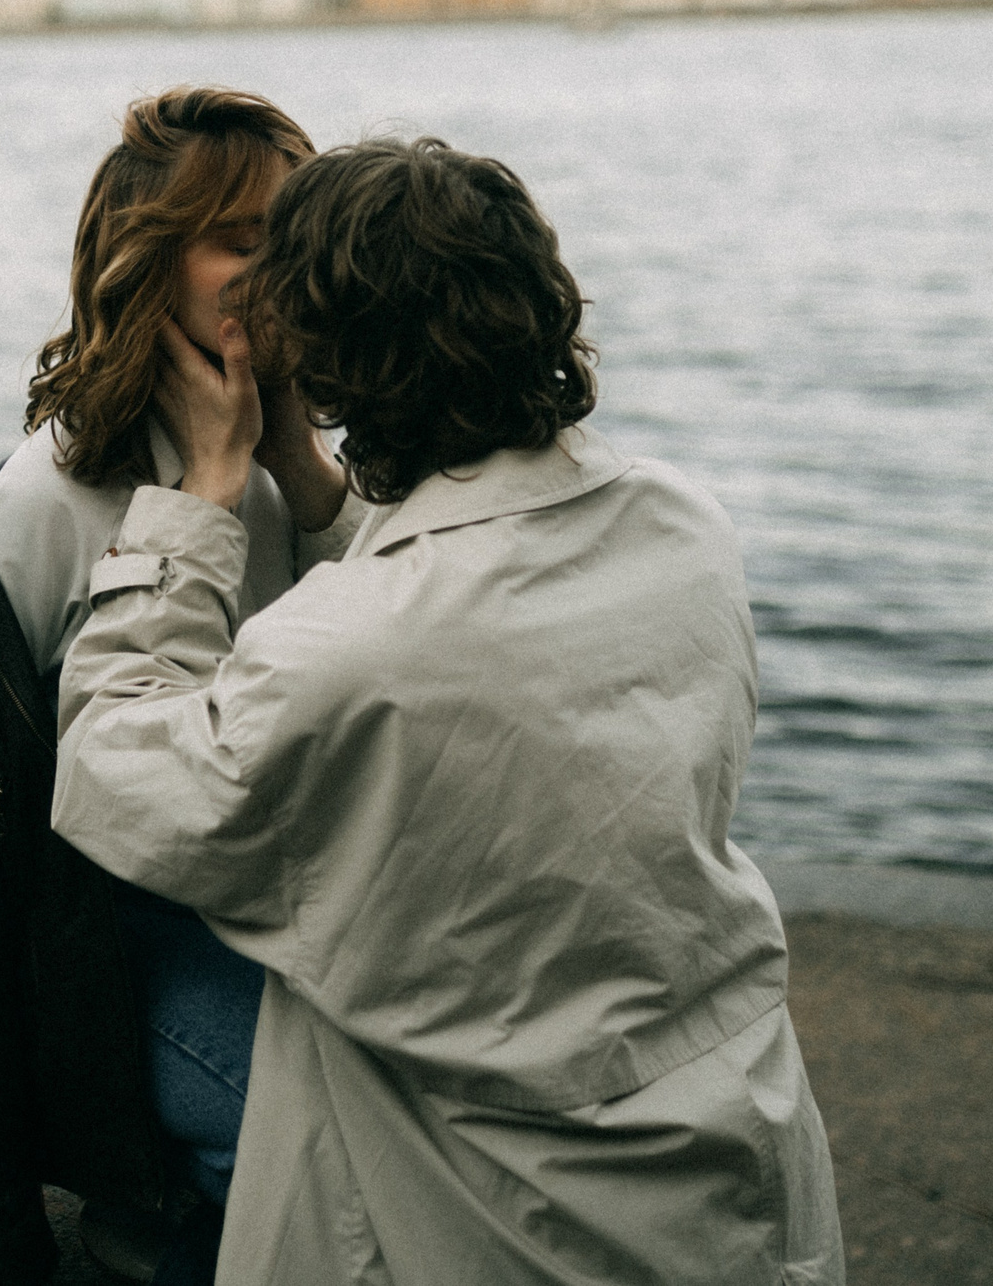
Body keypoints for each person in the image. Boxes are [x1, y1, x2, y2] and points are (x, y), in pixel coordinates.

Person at [53, 137, 845, 1284]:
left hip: (496, 1204)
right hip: (727, 1133)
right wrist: (308, 473)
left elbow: (114, 767)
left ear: (330, 364)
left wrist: (206, 499)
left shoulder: (357, 647)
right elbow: (456, 573)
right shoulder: (681, 526)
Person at [0, 88, 364, 1285]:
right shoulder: (17, 535)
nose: (286, 274)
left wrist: (300, 468)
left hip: (293, 906)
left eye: (299, 237)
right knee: (316, 1161)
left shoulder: (307, 467)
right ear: (146, 269)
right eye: (246, 243)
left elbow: (409, 662)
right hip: (108, 962)